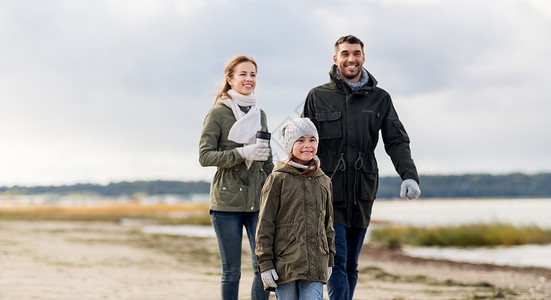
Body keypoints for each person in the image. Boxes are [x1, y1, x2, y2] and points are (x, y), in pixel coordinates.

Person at [302, 35, 421, 300]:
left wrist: (409, 176)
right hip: (328, 192)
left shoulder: (380, 99)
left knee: (352, 265)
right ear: (336, 59)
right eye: (345, 54)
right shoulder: (317, 96)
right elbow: (302, 143)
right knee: (338, 261)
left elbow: (397, 140)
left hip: (363, 191)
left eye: (356, 53)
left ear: (363, 57)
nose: (351, 59)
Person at [199, 55, 273, 300]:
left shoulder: (259, 114)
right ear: (230, 79)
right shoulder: (218, 114)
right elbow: (205, 156)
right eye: (243, 74)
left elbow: (267, 159)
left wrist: (277, 184)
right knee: (231, 272)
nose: (249, 79)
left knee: (262, 268)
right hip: (226, 202)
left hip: (257, 200)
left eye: (253, 74)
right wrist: (241, 153)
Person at [255, 117, 335, 300]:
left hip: (316, 263)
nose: (307, 145)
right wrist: (265, 264)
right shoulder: (277, 179)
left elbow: (328, 225)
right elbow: (265, 224)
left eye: (312, 140)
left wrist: (329, 260)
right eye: (300, 140)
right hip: (285, 264)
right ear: (290, 145)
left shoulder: (324, 181)